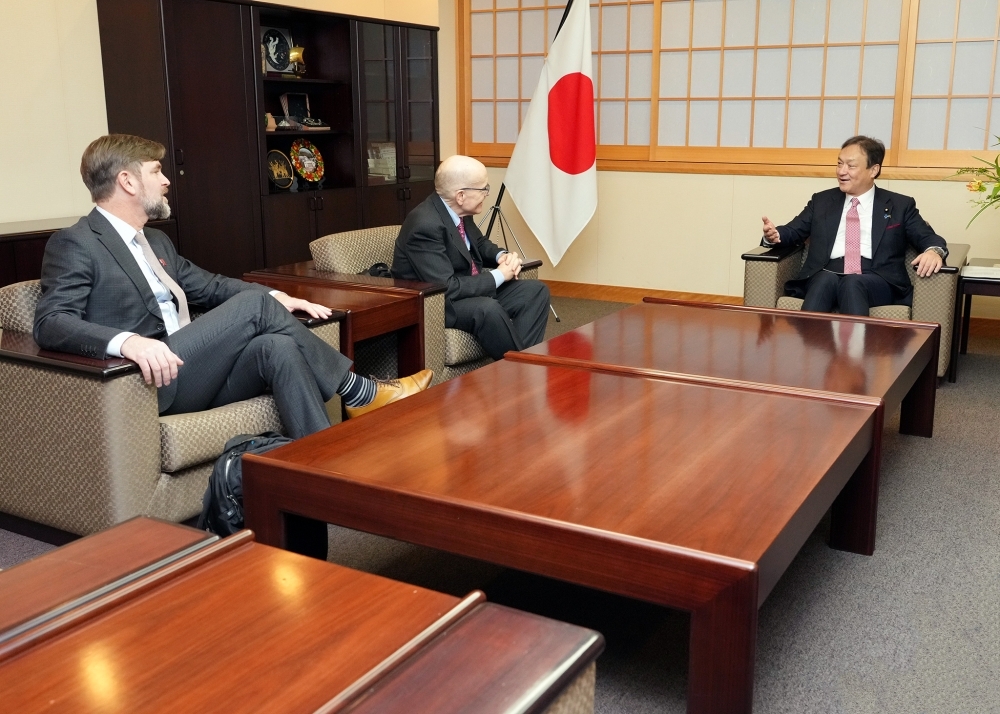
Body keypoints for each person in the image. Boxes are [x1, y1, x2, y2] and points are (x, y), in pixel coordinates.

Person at [34, 134, 431, 437]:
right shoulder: (77, 242)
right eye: (156, 171)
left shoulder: (155, 241)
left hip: (193, 367)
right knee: (256, 308)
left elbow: (209, 286)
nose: (168, 180)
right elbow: (51, 322)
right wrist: (128, 342)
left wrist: (278, 298)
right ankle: (359, 391)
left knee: (278, 345)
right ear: (128, 181)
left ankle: (324, 465)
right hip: (147, 381)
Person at [761, 135, 948, 316]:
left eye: (850, 166)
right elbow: (794, 230)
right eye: (839, 163)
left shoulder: (900, 205)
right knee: (824, 280)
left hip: (877, 277)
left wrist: (934, 251)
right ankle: (808, 347)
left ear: (873, 170)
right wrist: (775, 235)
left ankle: (854, 348)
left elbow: (927, 237)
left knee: (852, 283)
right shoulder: (822, 201)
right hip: (827, 271)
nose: (842, 171)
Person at [392, 155, 550, 359]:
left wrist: (502, 256)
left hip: (468, 290)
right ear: (460, 196)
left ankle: (520, 363)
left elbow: (479, 243)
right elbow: (445, 287)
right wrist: (499, 276)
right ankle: (522, 369)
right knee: (487, 309)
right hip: (439, 302)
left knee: (535, 292)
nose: (486, 194)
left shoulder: (457, 211)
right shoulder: (425, 225)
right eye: (484, 189)